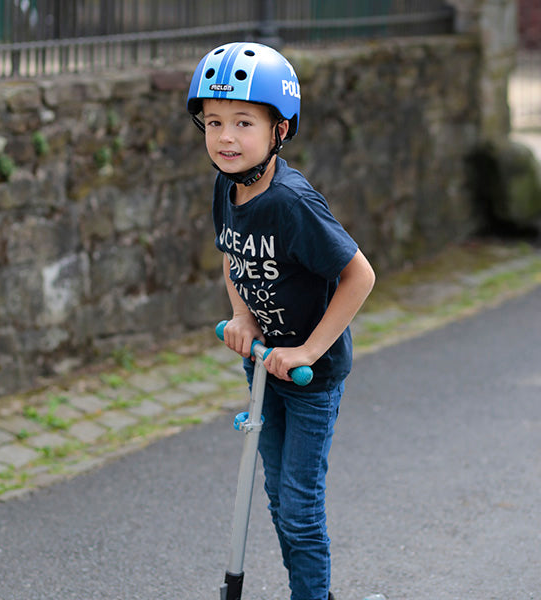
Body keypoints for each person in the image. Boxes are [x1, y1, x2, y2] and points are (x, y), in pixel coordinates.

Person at [187, 41, 376, 600]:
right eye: (214, 121)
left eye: (243, 122)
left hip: (309, 378)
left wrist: (309, 352)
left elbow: (359, 276)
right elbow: (232, 252)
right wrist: (242, 316)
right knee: (273, 497)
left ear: (280, 130)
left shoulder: (293, 204)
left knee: (299, 510)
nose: (225, 137)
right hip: (264, 366)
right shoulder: (229, 185)